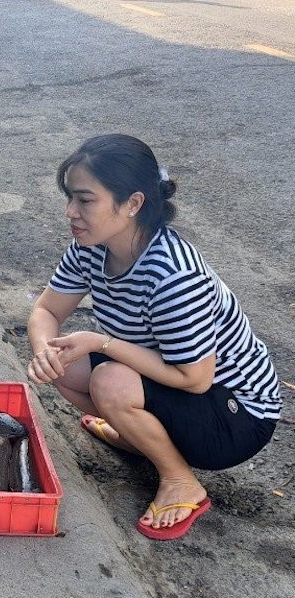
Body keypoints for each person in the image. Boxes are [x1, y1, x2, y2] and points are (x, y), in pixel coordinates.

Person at [26, 134, 280, 540]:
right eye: (70, 197)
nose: (70, 211)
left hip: (236, 414)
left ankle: (181, 481)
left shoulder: (174, 276)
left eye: (85, 200)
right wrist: (44, 352)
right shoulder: (91, 246)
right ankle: (135, 436)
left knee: (108, 379)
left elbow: (194, 379)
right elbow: (46, 310)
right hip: (182, 386)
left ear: (132, 203)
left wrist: (101, 343)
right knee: (64, 363)